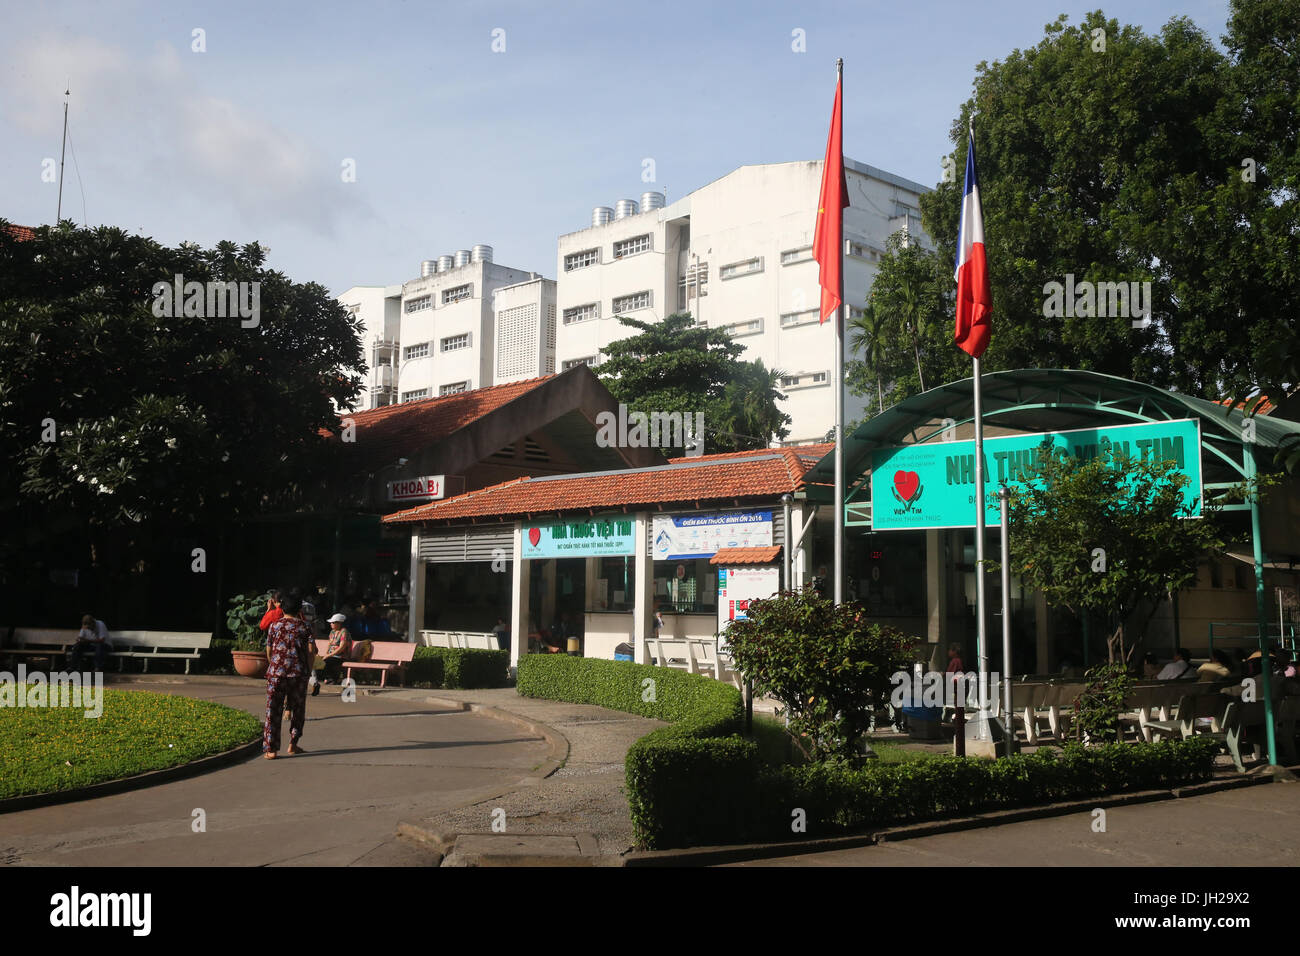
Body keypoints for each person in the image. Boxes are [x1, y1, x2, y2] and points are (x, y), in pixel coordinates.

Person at [263, 591, 313, 759]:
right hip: (298, 673)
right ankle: (293, 744)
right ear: (300, 609)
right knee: (298, 709)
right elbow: (312, 650)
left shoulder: (274, 626)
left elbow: (269, 650)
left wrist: (274, 664)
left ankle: (271, 750)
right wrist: (308, 668)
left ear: (282, 608)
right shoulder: (305, 627)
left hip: (277, 673)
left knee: (273, 710)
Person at [316, 613, 352, 692]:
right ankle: (331, 678)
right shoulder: (332, 632)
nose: (331, 624)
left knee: (326, 662)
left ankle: (334, 678)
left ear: (339, 623)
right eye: (331, 622)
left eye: (333, 622)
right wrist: (326, 654)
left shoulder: (344, 632)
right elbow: (329, 644)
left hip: (341, 656)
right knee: (319, 663)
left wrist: (329, 655)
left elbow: (342, 648)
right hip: (332, 656)